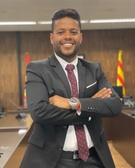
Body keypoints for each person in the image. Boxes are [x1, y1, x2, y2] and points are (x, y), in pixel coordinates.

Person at [20, 8, 123, 168]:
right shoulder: (37, 69)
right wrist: (91, 108)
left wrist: (73, 103)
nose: (68, 36)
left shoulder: (94, 69)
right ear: (52, 37)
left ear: (80, 37)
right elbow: (40, 113)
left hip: (93, 158)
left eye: (73, 32)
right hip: (52, 159)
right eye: (61, 32)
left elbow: (115, 106)